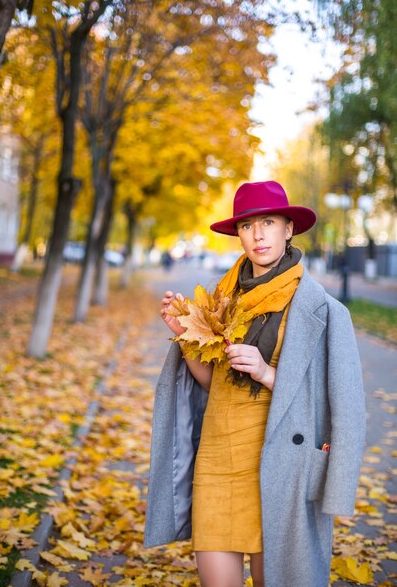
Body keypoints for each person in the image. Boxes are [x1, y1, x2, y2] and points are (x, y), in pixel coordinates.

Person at [144, 181, 366, 587]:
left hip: (282, 467)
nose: (258, 234)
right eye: (247, 225)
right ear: (238, 234)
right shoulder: (219, 301)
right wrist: (185, 337)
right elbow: (214, 384)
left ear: (288, 229)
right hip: (217, 460)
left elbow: (347, 409)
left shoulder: (325, 312)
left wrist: (265, 372)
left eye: (268, 222)